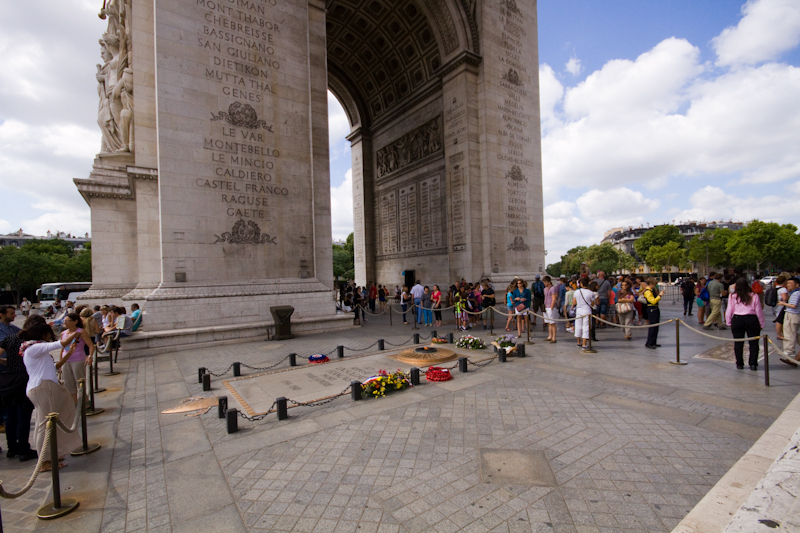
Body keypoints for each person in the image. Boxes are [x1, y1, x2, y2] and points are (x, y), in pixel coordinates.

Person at [20, 323, 83, 471]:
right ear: (42, 334)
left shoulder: (35, 349)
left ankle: (52, 453)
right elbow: (61, 343)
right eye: (48, 333)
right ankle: (44, 460)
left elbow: (53, 367)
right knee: (44, 424)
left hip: (44, 386)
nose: (50, 336)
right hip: (43, 387)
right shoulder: (34, 348)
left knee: (49, 422)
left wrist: (69, 353)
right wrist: (76, 332)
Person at [0, 314, 47, 462]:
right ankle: (23, 450)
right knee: (23, 416)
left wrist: (8, 362)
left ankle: (12, 448)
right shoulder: (33, 343)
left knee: (11, 415)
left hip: (8, 379)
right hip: (24, 379)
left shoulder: (10, 338)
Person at [725, 278, 765, 370]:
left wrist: (728, 321)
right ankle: (753, 364)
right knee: (754, 343)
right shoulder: (754, 295)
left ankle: (739, 363)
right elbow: (758, 310)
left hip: (737, 318)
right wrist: (761, 323)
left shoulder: (733, 296)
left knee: (738, 343)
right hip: (752, 318)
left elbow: (729, 309)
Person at [59, 313, 95, 404]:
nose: (66, 323)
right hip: (66, 360)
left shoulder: (81, 332)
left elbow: (90, 345)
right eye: (65, 321)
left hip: (78, 359)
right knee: (68, 383)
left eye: (68, 321)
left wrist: (90, 356)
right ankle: (74, 403)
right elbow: (62, 349)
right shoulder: (63, 333)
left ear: (75, 322)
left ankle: (85, 402)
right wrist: (60, 362)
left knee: (80, 381)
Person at [778, 277, 800, 363]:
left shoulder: (796, 293)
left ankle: (789, 353)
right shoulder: (794, 293)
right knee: (793, 333)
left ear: (797, 284)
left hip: (792, 314)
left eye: (791, 283)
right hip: (794, 315)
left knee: (790, 334)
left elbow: (793, 305)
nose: (788, 285)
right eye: (788, 283)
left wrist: (783, 303)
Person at [573, 278, 595, 349]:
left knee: (578, 326)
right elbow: (592, 303)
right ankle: (584, 343)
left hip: (579, 310)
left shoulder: (577, 292)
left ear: (581, 284)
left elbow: (574, 302)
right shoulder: (591, 292)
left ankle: (578, 342)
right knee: (586, 326)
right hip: (587, 310)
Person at [643, 278, 664, 349]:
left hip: (655, 308)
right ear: (651, 284)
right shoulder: (648, 292)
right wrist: (660, 296)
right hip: (651, 308)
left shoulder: (652, 291)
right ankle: (649, 342)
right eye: (654, 284)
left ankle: (653, 341)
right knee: (653, 326)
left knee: (656, 326)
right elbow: (653, 301)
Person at [543, 276, 557, 343]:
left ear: (549, 282)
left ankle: (554, 337)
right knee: (549, 322)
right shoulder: (545, 289)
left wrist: (551, 307)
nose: (544, 283)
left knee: (552, 322)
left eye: (545, 282)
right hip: (546, 305)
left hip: (551, 306)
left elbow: (554, 298)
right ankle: (550, 336)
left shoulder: (553, 288)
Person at [774, 276, 789, 340]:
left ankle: (780, 334)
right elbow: (784, 298)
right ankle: (780, 334)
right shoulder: (783, 289)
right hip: (781, 306)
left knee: (779, 320)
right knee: (780, 321)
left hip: (776, 305)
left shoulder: (776, 288)